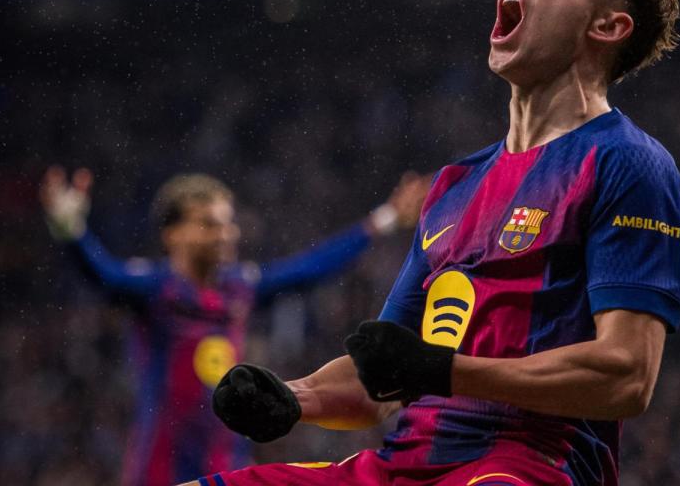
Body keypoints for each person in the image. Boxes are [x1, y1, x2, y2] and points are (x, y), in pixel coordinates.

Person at [192, 0, 680, 485]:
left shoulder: (628, 164)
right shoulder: (454, 186)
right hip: (402, 465)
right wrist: (292, 396)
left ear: (608, 27)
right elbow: (384, 375)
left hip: (527, 463)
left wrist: (446, 371)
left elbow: (627, 376)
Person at [40, 166, 429, 486]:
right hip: (160, 465)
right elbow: (103, 275)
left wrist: (385, 219)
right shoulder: (156, 290)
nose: (226, 234)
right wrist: (70, 230)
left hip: (226, 459)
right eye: (209, 224)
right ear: (172, 233)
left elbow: (308, 270)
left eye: (227, 224)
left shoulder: (239, 288)